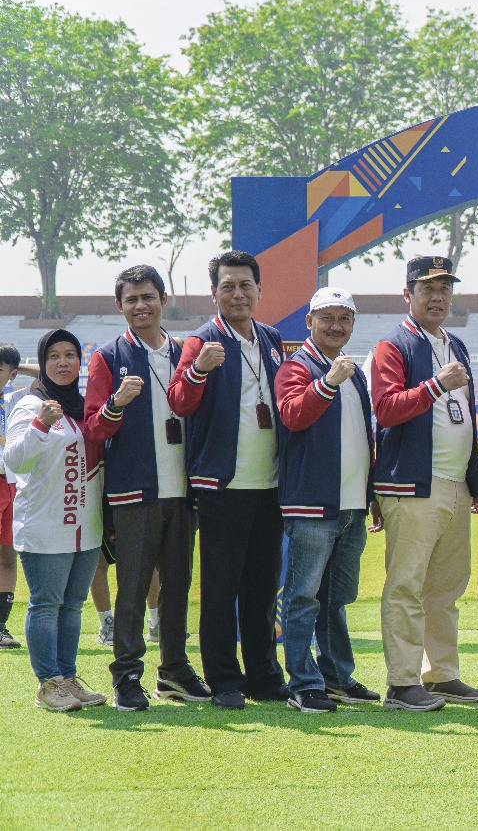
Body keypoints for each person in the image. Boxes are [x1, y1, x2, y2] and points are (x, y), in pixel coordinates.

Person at [84, 265, 212, 711]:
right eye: (132, 299)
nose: (141, 305)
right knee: (134, 586)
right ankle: (127, 674)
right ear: (120, 306)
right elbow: (93, 429)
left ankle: (174, 669)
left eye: (148, 297)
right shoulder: (107, 355)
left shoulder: (184, 352)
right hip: (135, 489)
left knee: (177, 585)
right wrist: (117, 403)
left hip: (183, 488)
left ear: (163, 300)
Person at [169, 250, 287, 710]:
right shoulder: (201, 342)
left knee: (262, 586)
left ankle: (263, 675)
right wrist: (199, 370)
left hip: (271, 484)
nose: (237, 294)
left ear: (259, 290)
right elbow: (179, 402)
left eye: (245, 286)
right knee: (220, 588)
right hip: (222, 485)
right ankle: (223, 678)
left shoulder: (273, 339)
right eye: (228, 286)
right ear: (214, 292)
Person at [369, 256, 478, 712]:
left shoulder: (454, 343)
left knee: (446, 587)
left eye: (444, 288)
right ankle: (401, 683)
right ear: (407, 294)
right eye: (427, 288)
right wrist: (435, 386)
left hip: (453, 482)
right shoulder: (392, 346)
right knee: (407, 585)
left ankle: (441, 674)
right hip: (412, 484)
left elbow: (466, 420)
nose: (437, 296)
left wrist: (473, 479)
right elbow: (386, 409)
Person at [275, 287, 383, 713]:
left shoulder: (353, 372)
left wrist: (370, 494)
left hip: (351, 504)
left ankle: (336, 675)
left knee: (338, 597)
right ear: (309, 322)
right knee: (303, 596)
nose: (336, 326)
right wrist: (327, 382)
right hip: (312, 503)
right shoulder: (297, 366)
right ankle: (303, 682)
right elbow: (293, 415)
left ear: (353, 324)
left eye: (344, 318)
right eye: (327, 318)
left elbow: (363, 439)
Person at [3, 330, 106, 711]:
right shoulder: (31, 404)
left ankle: (67, 676)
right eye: (54, 357)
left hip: (85, 524)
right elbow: (13, 460)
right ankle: (48, 684)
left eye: (71, 355)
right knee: (46, 604)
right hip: (45, 523)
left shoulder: (83, 406)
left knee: (73, 604)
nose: (63, 363)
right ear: (43, 363)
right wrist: (40, 425)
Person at [0, 345, 38, 650]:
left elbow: (45, 379)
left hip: (10, 483)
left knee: (7, 554)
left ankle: (0, 627)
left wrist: (16, 368)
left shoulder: (14, 399)